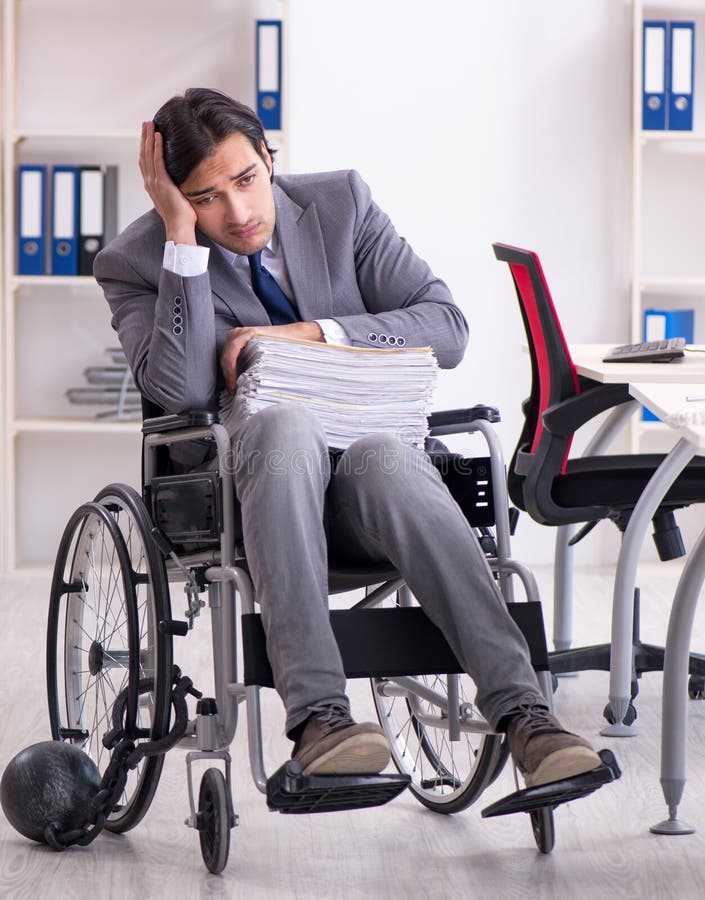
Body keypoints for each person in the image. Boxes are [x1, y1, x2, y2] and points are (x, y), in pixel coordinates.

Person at [95, 87, 606, 790]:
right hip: (247, 503)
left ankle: (525, 714)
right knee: (285, 422)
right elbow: (180, 391)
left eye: (245, 180)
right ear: (175, 197)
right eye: (204, 197)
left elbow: (446, 328)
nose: (237, 213)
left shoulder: (340, 204)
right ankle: (320, 721)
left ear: (270, 159)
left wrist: (310, 334)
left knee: (385, 455)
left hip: (370, 502)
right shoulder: (136, 260)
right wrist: (179, 241)